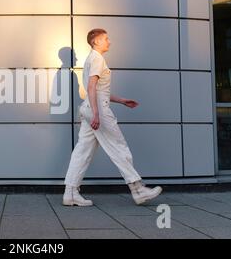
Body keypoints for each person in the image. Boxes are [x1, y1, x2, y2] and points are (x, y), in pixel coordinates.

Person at [63, 28, 162, 206]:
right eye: (106, 39)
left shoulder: (91, 59)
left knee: (82, 152)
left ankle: (70, 193)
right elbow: (92, 88)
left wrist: (122, 100)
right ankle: (138, 190)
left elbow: (98, 90)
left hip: (89, 108)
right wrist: (96, 113)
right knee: (118, 147)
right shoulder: (97, 59)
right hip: (97, 109)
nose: (109, 41)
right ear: (96, 41)